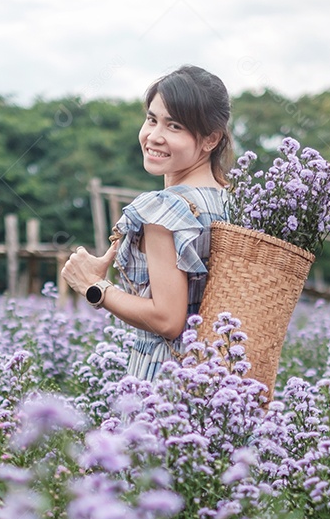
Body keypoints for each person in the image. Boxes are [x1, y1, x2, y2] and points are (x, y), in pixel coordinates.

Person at [61, 65, 231, 380]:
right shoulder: (231, 201)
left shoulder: (164, 209)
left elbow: (168, 320)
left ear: (211, 139)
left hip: (164, 384)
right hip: (219, 382)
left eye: (175, 126)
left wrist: (93, 286)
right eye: (152, 119)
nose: (154, 136)